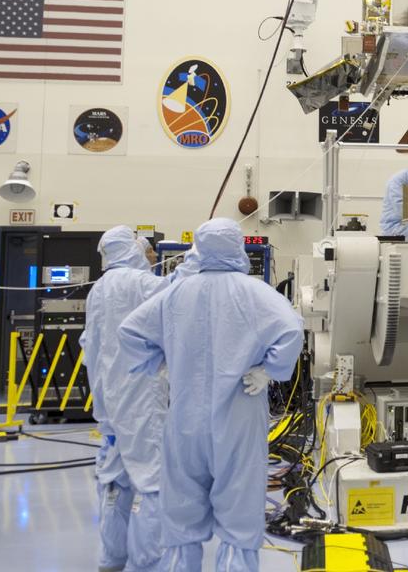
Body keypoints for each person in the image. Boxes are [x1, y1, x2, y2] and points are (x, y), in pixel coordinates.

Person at [119, 218, 303, 572]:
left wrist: (160, 362)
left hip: (185, 419)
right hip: (239, 414)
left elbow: (131, 331)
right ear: (238, 247)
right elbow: (292, 329)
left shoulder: (175, 292)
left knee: (182, 513)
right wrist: (269, 371)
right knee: (239, 512)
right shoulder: (256, 292)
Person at [81, 227, 170, 572]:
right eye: (146, 249)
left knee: (116, 479)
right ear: (130, 250)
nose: (151, 256)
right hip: (141, 399)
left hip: (109, 401)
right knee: (152, 480)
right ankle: (149, 563)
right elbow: (179, 295)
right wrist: (198, 260)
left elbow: (93, 345)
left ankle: (112, 556)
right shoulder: (139, 283)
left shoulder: (99, 288)